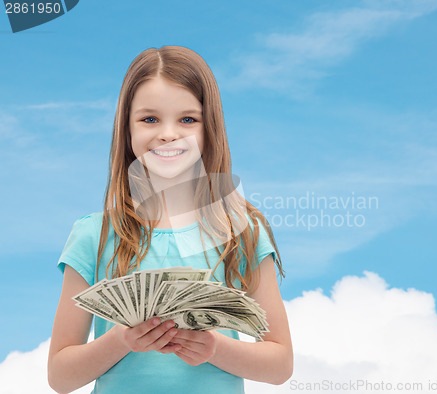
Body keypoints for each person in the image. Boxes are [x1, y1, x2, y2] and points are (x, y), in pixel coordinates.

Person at [47, 45, 293, 393]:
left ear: (210, 129)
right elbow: (60, 376)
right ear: (126, 128)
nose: (167, 134)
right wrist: (121, 340)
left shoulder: (241, 231)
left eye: (187, 119)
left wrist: (214, 348)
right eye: (150, 119)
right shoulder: (94, 235)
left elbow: (280, 365)